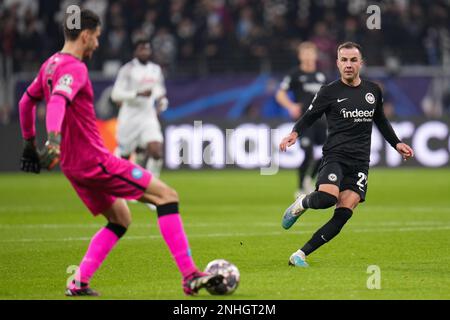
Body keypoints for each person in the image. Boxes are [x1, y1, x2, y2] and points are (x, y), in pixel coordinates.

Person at [18, 9, 222, 296]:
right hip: (94, 161)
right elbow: (57, 104)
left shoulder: (49, 65)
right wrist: (51, 140)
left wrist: (29, 143)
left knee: (121, 219)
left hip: (73, 166)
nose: (98, 44)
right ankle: (190, 275)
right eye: (97, 37)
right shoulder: (75, 68)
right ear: (86, 35)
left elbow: (26, 103)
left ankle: (79, 281)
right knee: (167, 196)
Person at [279, 42, 414, 267]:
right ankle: (301, 203)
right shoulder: (329, 91)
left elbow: (380, 119)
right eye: (344, 60)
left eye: (353, 60)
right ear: (338, 63)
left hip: (360, 162)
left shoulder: (373, 90)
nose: (349, 65)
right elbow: (310, 116)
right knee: (326, 198)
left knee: (344, 213)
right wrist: (294, 133)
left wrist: (396, 143)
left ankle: (300, 255)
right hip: (335, 156)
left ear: (360, 63)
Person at [111, 38, 168, 180]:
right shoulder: (127, 70)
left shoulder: (155, 69)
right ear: (135, 51)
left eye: (147, 48)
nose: (145, 51)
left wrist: (162, 101)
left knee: (156, 151)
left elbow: (159, 90)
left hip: (148, 116)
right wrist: (137, 94)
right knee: (124, 156)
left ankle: (152, 186)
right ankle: (120, 186)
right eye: (141, 49)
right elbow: (115, 94)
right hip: (129, 117)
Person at [276, 42, 327, 196]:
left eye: (310, 53)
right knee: (308, 153)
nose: (308, 56)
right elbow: (280, 94)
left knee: (329, 152)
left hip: (321, 120)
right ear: (299, 56)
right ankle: (299, 189)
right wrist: (291, 106)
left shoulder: (321, 75)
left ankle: (308, 180)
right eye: (304, 53)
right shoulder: (295, 74)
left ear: (315, 55)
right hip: (305, 122)